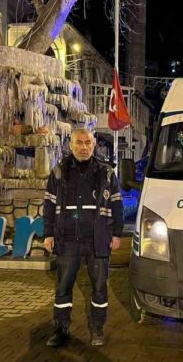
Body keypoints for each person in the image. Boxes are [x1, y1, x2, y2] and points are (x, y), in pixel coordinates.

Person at [43, 128, 124, 347]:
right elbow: (49, 205)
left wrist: (117, 233)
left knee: (99, 287)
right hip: (67, 239)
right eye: (79, 142)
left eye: (88, 143)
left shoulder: (107, 172)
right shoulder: (59, 171)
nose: (84, 147)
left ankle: (97, 328)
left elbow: (117, 204)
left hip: (98, 239)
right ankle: (61, 329)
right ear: (71, 145)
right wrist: (48, 234)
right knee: (63, 288)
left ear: (94, 145)